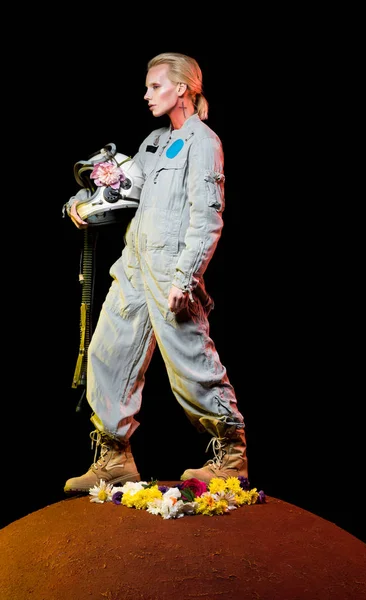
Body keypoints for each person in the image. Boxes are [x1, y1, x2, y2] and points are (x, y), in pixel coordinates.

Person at [64, 52, 248, 494]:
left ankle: (232, 454)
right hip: (134, 265)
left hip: (170, 271)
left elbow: (208, 217)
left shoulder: (204, 142)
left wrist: (185, 279)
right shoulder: (153, 142)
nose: (146, 95)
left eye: (155, 86)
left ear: (182, 88)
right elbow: (125, 192)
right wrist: (83, 202)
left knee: (191, 365)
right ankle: (114, 458)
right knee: (108, 352)